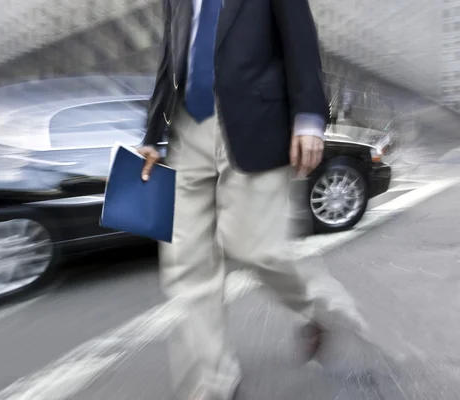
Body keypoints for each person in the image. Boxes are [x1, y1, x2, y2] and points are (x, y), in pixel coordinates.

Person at [137, 0, 368, 399]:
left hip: (255, 121)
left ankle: (324, 307)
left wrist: (310, 118)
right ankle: (214, 379)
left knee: (253, 247)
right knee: (186, 260)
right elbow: (172, 58)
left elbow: (301, 42)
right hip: (187, 130)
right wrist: (152, 134)